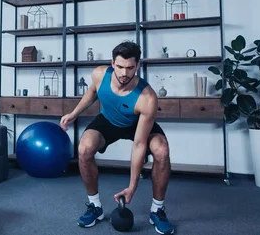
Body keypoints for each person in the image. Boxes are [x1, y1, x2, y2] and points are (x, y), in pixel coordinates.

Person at [60, 41, 175, 235]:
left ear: (137, 66)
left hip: (136, 124)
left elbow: (139, 144)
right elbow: (93, 92)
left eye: (130, 68)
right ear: (112, 63)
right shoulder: (99, 74)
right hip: (108, 121)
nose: (124, 73)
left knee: (161, 150)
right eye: (120, 67)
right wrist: (74, 113)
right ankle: (95, 207)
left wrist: (132, 187)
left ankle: (157, 210)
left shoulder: (147, 98)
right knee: (84, 149)